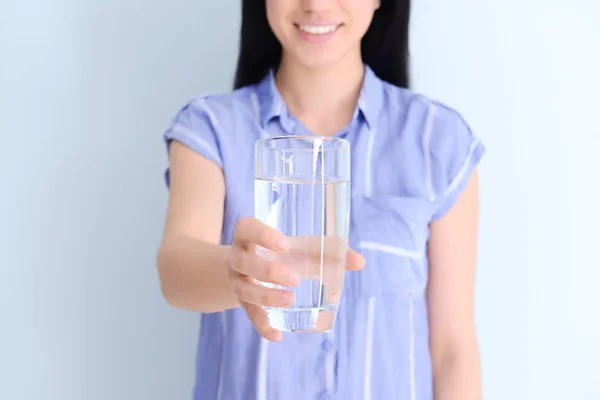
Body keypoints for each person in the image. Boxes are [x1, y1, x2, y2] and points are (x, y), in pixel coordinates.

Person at [157, 0, 485, 399]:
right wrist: (235, 271)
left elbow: (453, 351)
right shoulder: (210, 128)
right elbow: (176, 269)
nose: (315, 5)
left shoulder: (439, 141)